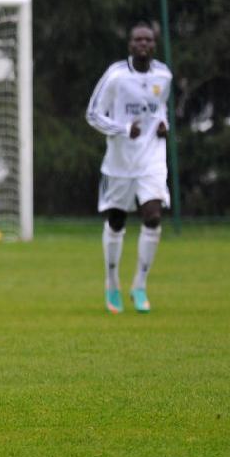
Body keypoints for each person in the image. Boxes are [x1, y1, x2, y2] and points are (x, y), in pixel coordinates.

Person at [86, 22, 172, 314]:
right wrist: (123, 129)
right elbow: (92, 113)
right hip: (120, 162)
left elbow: (160, 108)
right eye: (137, 40)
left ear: (154, 45)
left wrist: (164, 125)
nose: (143, 44)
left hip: (151, 158)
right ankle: (112, 284)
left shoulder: (164, 74)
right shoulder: (116, 76)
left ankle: (140, 284)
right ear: (130, 45)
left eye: (148, 40)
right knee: (117, 221)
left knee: (153, 216)